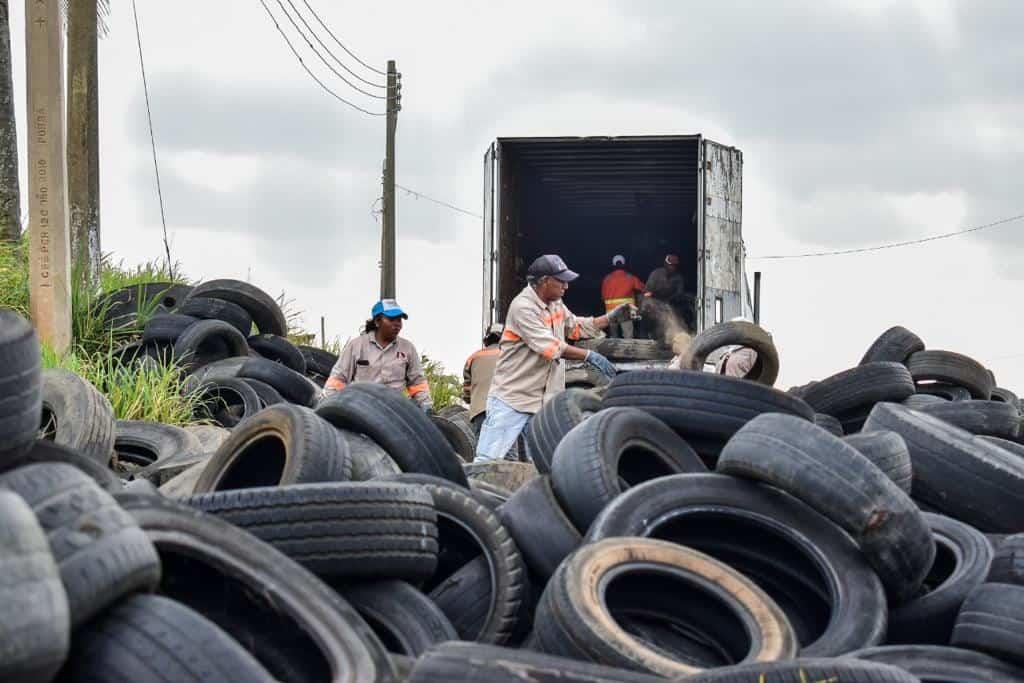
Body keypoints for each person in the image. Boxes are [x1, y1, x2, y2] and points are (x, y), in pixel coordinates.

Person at [474, 255, 636, 462]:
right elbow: (551, 347)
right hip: (513, 400)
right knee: (489, 462)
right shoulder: (523, 307)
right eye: (561, 281)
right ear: (543, 281)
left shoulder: (556, 304)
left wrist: (610, 318)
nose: (566, 286)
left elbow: (576, 327)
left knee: (539, 467)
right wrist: (589, 355)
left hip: (542, 404)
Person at [321, 299, 432, 412]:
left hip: (395, 410)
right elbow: (339, 378)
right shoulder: (356, 346)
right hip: (362, 407)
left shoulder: (407, 348)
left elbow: (417, 383)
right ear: (377, 322)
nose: (397, 324)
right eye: (391, 319)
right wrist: (327, 403)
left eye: (399, 320)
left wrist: (426, 406)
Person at [462, 323, 503, 433]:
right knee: (507, 449)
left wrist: (469, 399)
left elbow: (467, 391)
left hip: (480, 411)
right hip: (504, 410)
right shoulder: (509, 356)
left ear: (486, 339)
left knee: (482, 448)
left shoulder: (473, 358)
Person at [600, 255, 645, 339]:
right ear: (624, 265)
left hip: (611, 312)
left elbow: (603, 297)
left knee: (613, 336)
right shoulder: (630, 277)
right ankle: (628, 352)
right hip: (625, 311)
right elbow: (643, 288)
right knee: (628, 336)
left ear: (613, 265)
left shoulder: (606, 279)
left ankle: (613, 352)